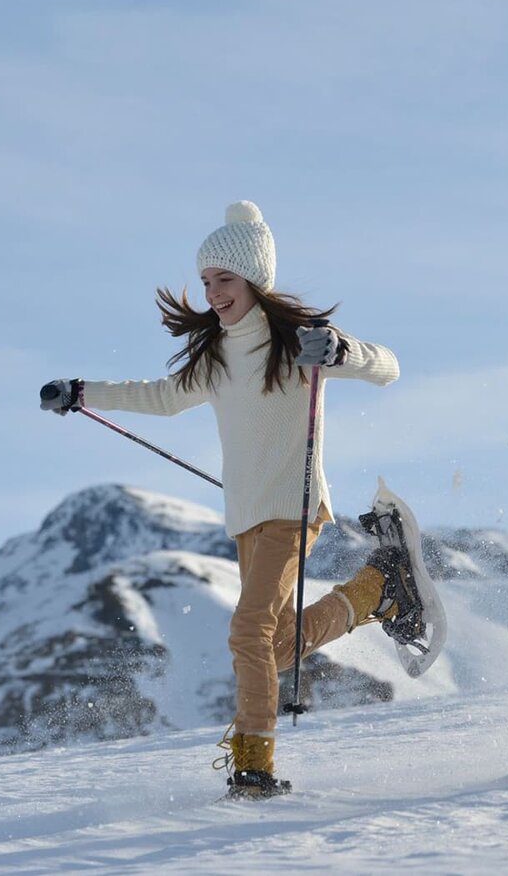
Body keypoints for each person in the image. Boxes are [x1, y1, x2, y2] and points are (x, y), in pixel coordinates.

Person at [41, 200, 408, 798]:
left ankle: (253, 765)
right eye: (207, 281)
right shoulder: (215, 357)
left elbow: (388, 367)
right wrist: (84, 391)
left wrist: (341, 350)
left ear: (255, 280)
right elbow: (160, 396)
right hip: (245, 518)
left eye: (225, 280)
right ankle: (376, 590)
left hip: (294, 508)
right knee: (274, 643)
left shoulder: (298, 344)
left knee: (246, 635)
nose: (213, 293)